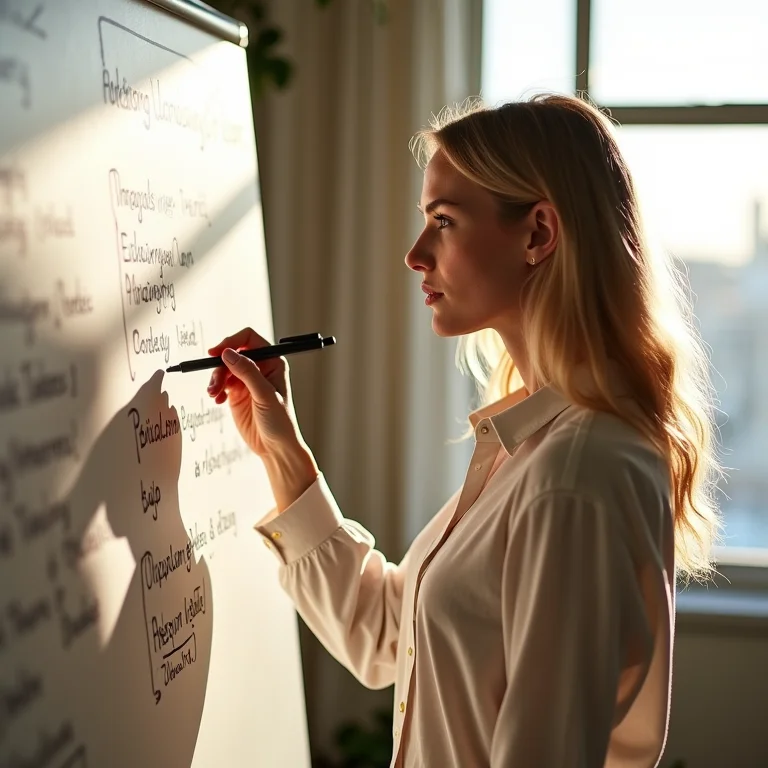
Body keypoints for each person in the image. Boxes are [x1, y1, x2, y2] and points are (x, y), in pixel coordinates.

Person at [205, 94, 722, 768]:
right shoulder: (533, 446)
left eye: (443, 221)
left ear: (538, 234)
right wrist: (283, 450)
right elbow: (388, 635)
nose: (415, 254)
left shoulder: (574, 473)